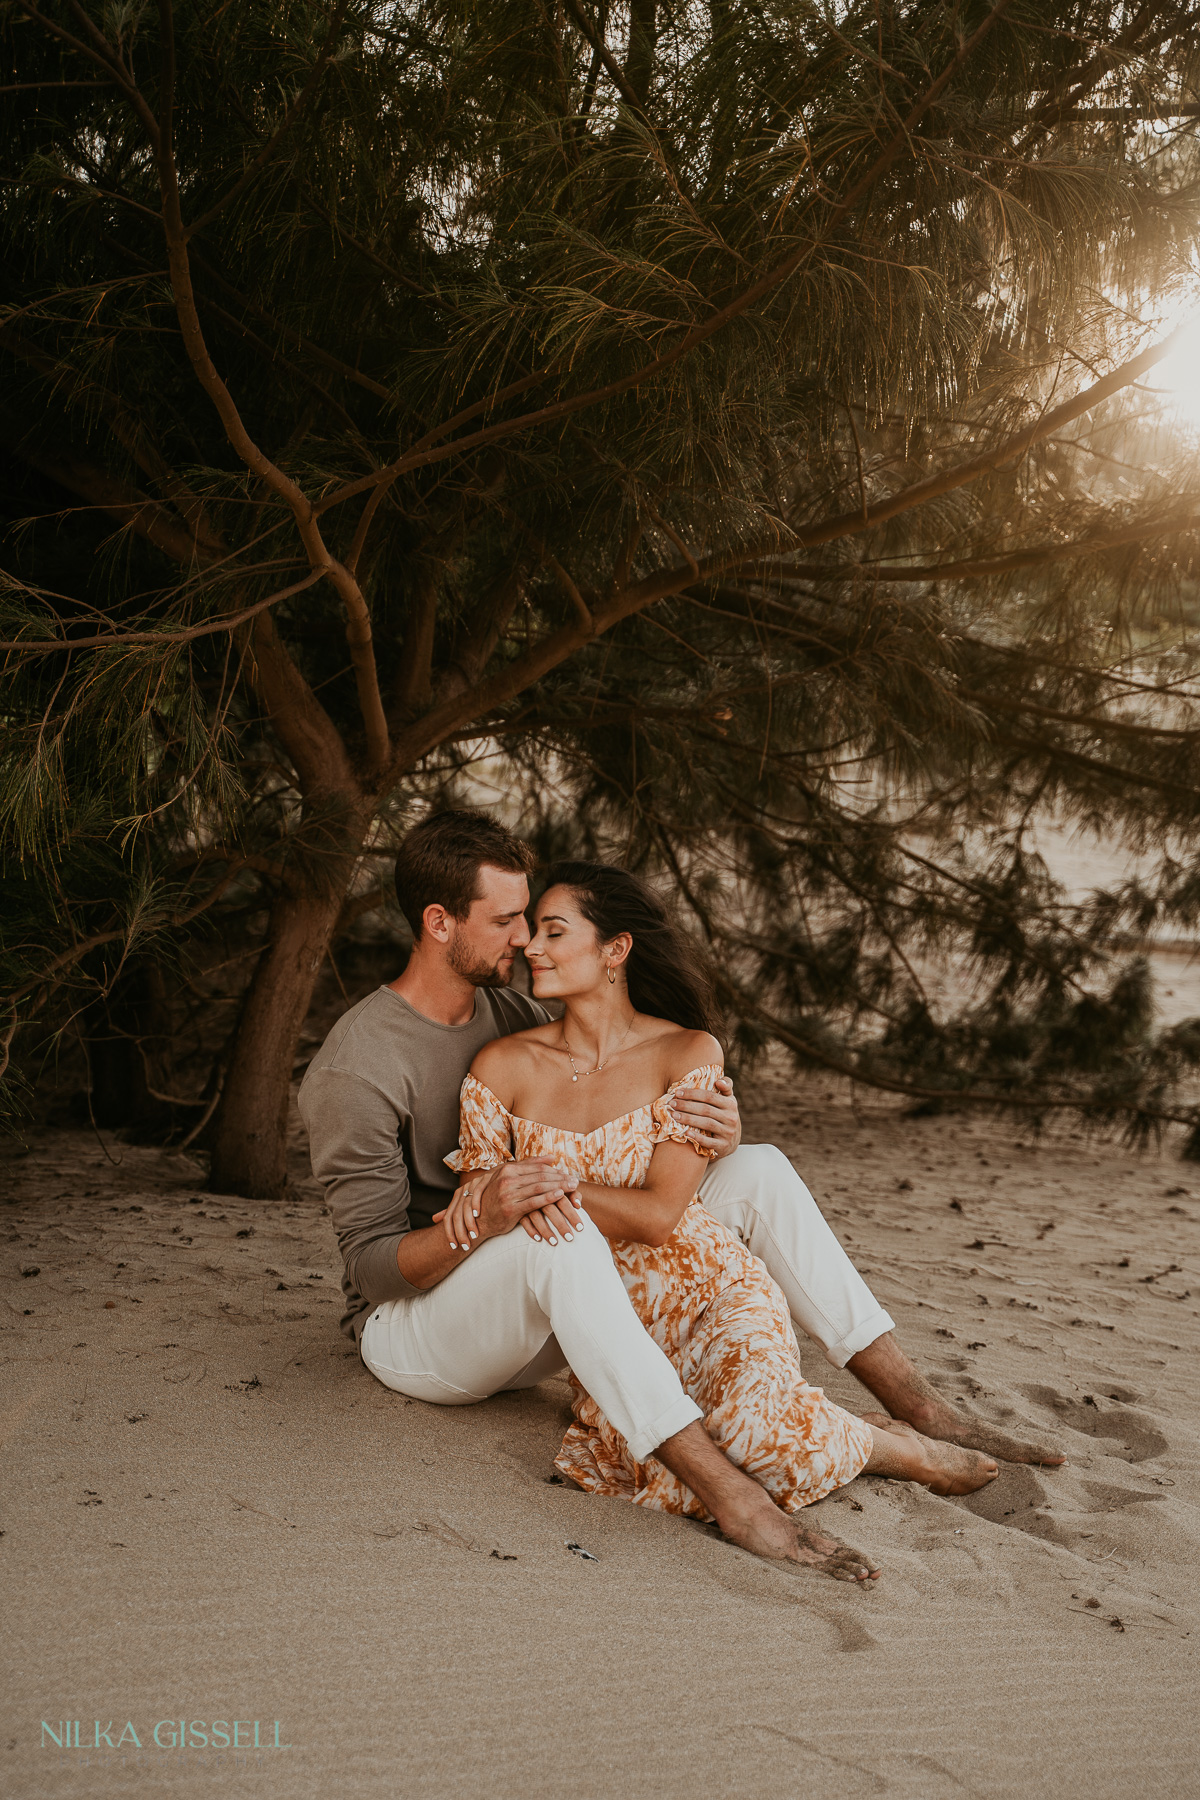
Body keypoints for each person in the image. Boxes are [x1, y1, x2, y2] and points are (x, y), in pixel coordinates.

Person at [443, 861, 1003, 1521]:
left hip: (715, 1292)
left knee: (751, 1439)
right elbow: (483, 1200)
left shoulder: (688, 1052)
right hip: (614, 1326)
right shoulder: (501, 1066)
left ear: (615, 949)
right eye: (530, 930)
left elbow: (657, 1216)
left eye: (553, 931)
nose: (530, 947)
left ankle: (902, 1445)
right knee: (680, 1466)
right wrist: (496, 1191)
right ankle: (877, 1438)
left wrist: (540, 1183)